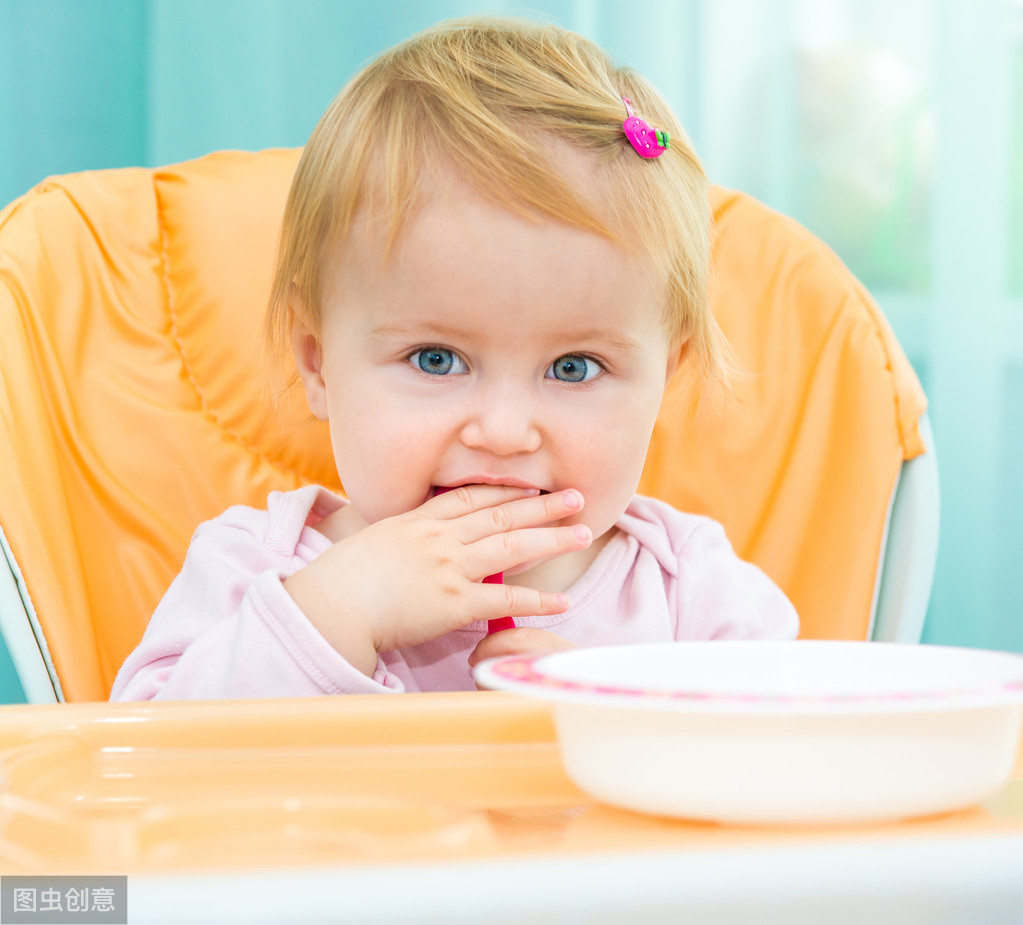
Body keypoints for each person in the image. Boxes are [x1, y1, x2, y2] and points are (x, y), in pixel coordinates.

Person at [111, 16, 798, 701]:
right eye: (436, 359)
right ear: (317, 362)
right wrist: (338, 611)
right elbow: (136, 767)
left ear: (664, 379)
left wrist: (612, 722)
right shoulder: (255, 565)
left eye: (573, 367)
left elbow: (791, 772)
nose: (502, 432)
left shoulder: (692, 591)